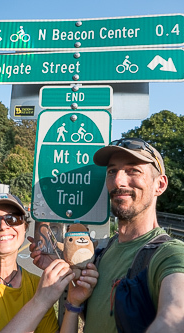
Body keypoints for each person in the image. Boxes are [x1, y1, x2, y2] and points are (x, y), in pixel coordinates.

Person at [30, 137, 184, 333]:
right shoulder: (101, 252)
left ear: (159, 185)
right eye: (112, 171)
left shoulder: (169, 254)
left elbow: (175, 316)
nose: (118, 181)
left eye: (133, 170)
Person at [0, 193, 98, 333]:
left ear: (25, 227)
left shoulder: (36, 286)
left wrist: (72, 305)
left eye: (13, 219)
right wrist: (40, 301)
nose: (3, 226)